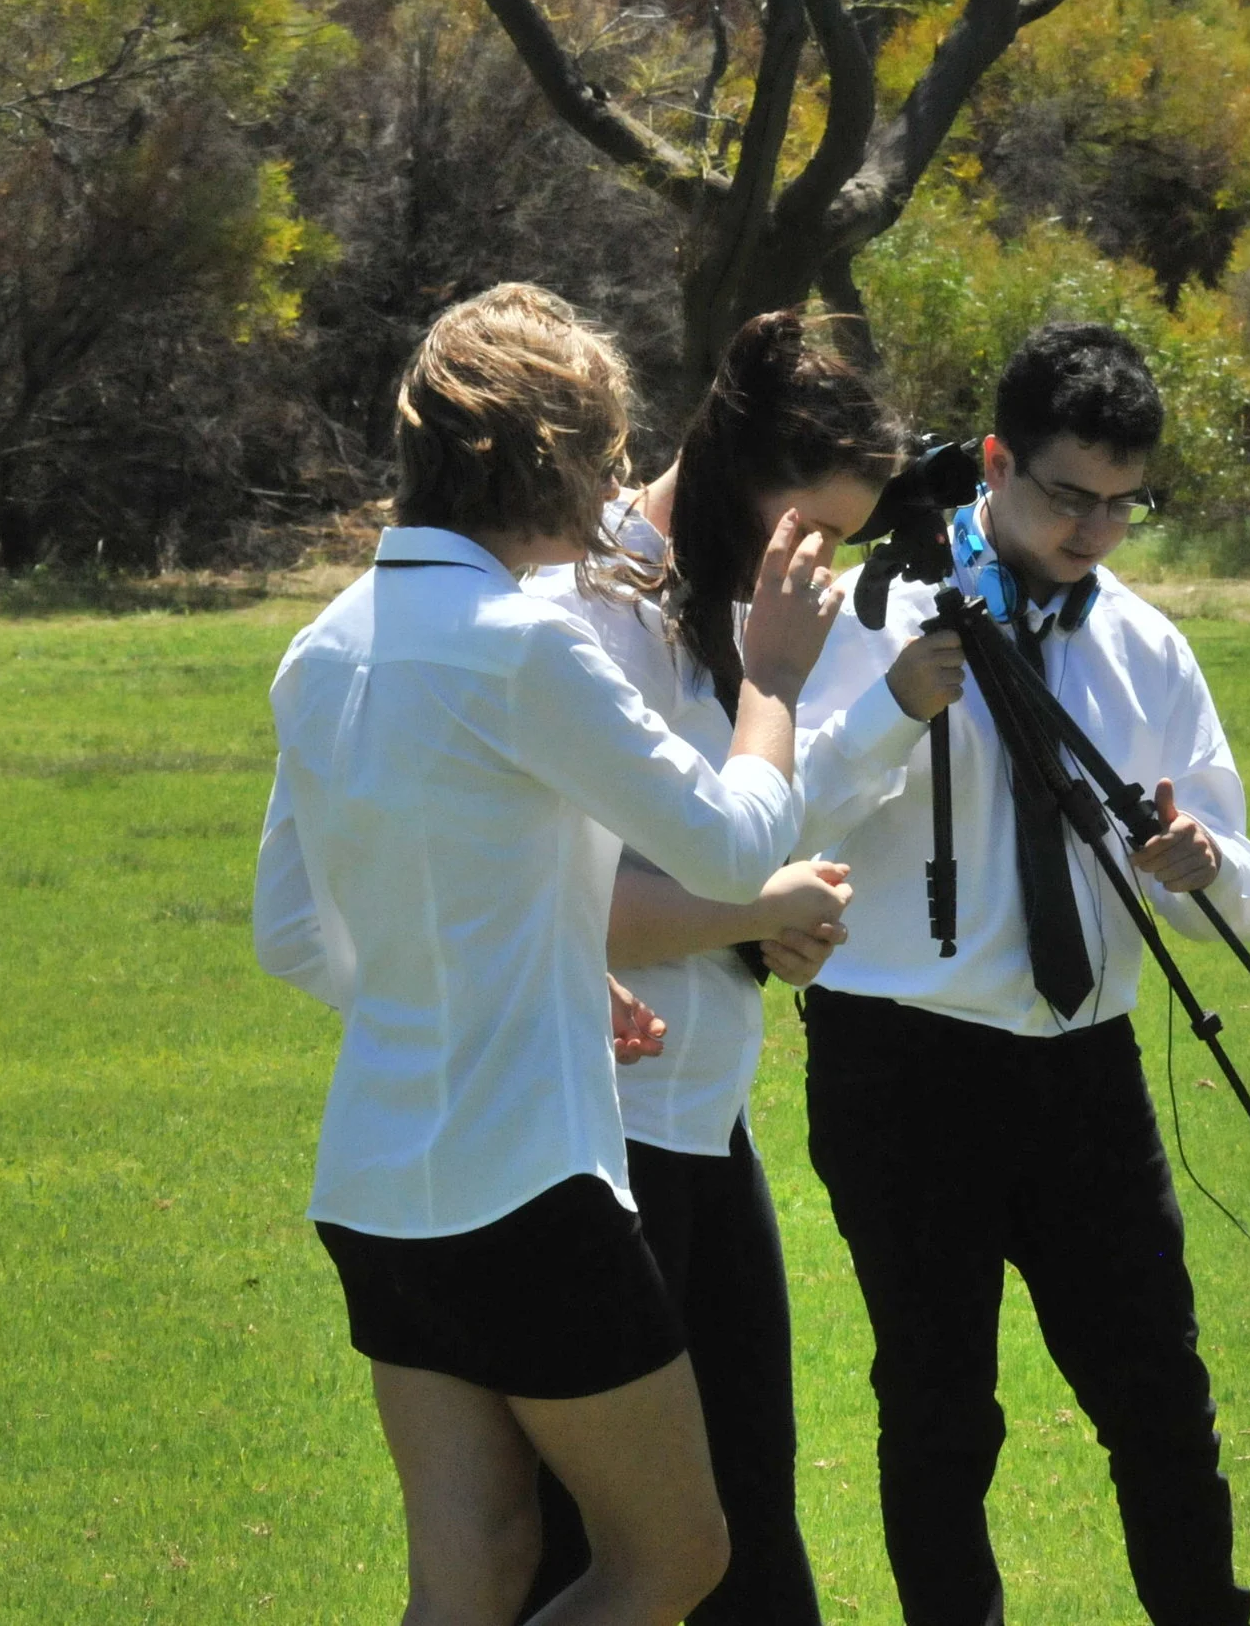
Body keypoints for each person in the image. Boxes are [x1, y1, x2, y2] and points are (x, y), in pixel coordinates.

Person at [251, 283, 843, 1626]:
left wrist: (540, 966)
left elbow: (292, 930)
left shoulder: (323, 646)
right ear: (557, 460)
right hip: (524, 1187)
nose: (622, 482)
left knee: (474, 1574)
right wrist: (775, 678)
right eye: (611, 453)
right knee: (675, 1556)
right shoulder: (524, 644)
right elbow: (732, 847)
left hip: (375, 1191)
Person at [786, 322, 1250, 1626]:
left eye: (1123, 505)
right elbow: (773, 829)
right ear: (995, 462)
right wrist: (892, 709)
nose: (1093, 531)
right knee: (941, 1410)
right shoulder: (865, 615)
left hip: (1087, 1073)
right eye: (1067, 496)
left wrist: (1201, 862)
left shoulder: (1148, 647)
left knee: (1162, 1403)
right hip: (903, 1061)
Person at [516, 309, 902, 1626]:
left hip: (702, 1122)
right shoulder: (595, 601)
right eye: (814, 526)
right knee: (605, 1552)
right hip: (600, 1132)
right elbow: (572, 902)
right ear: (737, 471)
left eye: (845, 539)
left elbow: (734, 853)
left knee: (751, 1541)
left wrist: (773, 925)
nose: (823, 563)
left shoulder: (732, 606)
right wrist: (747, 912)